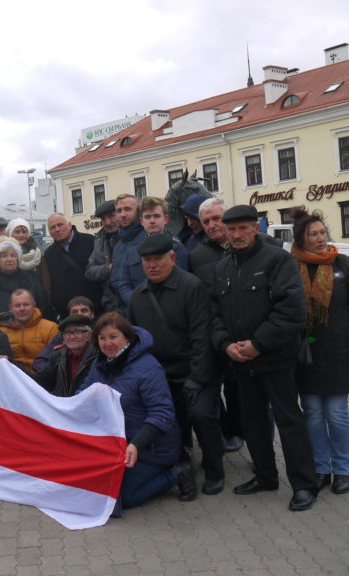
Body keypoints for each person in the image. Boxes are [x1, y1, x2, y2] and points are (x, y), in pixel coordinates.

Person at [211, 204, 318, 511]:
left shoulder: (277, 260)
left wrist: (258, 344)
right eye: (232, 229)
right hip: (241, 361)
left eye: (244, 228)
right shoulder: (223, 267)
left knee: (289, 421)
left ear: (256, 228)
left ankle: (304, 485)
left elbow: (292, 311)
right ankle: (265, 475)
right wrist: (225, 345)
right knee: (253, 422)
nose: (237, 234)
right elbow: (215, 313)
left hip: (276, 358)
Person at [128, 233, 224, 496]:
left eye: (158, 258)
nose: (152, 265)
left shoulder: (191, 287)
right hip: (161, 374)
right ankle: (182, 466)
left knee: (202, 415)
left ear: (172, 258)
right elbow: (136, 340)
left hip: (197, 368)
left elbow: (201, 337)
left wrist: (197, 378)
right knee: (170, 422)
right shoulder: (138, 295)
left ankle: (215, 469)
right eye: (147, 260)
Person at [77, 312, 194, 511]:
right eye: (102, 338)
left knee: (121, 498)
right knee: (90, 488)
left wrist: (137, 444)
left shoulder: (148, 367)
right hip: (115, 444)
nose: (107, 343)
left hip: (150, 448)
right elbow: (83, 393)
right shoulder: (99, 364)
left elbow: (162, 412)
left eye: (113, 337)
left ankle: (176, 473)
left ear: (127, 338)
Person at [290, 207, 349, 495]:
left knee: (338, 413)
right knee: (313, 413)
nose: (320, 238)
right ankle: (321, 468)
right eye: (312, 234)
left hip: (339, 349)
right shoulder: (291, 266)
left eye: (322, 232)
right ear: (301, 239)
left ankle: (342, 470)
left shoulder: (341, 264)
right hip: (306, 352)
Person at [188, 197, 244, 452]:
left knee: (240, 392)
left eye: (216, 219)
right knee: (215, 389)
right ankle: (225, 434)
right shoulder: (197, 256)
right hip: (212, 334)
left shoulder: (249, 247)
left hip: (244, 335)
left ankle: (245, 436)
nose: (212, 225)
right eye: (206, 221)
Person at [0, 236, 54, 323]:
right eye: (4, 256)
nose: (9, 259)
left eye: (13, 255)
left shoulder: (32, 278)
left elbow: (45, 308)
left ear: (18, 258)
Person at [42, 213, 102, 318]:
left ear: (70, 225)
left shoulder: (90, 241)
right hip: (67, 314)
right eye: (52, 227)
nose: (57, 229)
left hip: (95, 311)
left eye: (60, 225)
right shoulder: (48, 254)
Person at [33, 315, 98, 398]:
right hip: (63, 408)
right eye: (67, 332)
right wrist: (12, 365)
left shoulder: (98, 357)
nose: (72, 337)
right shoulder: (58, 356)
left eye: (78, 331)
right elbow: (39, 381)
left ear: (89, 335)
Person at [0, 289, 59, 375]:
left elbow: (55, 362)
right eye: (17, 305)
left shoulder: (51, 328)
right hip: (13, 378)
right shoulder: (1, 333)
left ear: (34, 305)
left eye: (26, 304)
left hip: (42, 379)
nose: (22, 309)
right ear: (10, 308)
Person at [33, 296, 95, 372]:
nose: (79, 314)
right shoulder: (61, 337)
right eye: (74, 312)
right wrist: (57, 373)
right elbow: (39, 362)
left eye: (84, 311)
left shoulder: (100, 336)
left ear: (92, 314)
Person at [109, 194, 146, 314]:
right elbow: (117, 281)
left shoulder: (147, 238)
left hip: (143, 308)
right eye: (119, 211)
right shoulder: (118, 245)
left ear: (139, 212)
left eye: (128, 209)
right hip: (122, 312)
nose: (123, 214)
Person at [85, 200, 120, 313]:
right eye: (103, 219)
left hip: (134, 302)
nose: (108, 222)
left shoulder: (133, 237)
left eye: (111, 216)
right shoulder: (99, 240)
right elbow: (89, 272)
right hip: (111, 306)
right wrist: (107, 269)